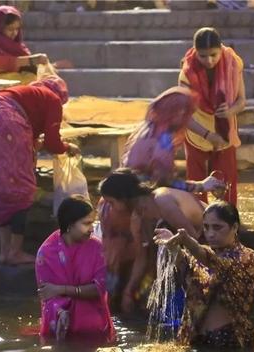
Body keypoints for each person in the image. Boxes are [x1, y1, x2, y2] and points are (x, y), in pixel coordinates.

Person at [98, 87, 224, 307]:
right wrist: (129, 292)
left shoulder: (161, 198)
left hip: (203, 238)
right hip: (147, 203)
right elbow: (141, 255)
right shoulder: (162, 139)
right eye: (183, 113)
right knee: (147, 260)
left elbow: (195, 239)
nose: (185, 118)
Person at [0, 76, 80, 265]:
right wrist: (67, 147)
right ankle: (16, 251)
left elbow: (33, 137)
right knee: (22, 189)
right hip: (6, 121)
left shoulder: (24, 94)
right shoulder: (52, 100)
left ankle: (5, 251)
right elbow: (53, 143)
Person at [153, 201, 254, 349]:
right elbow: (185, 262)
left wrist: (188, 241)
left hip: (227, 338)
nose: (210, 234)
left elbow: (212, 261)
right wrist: (172, 244)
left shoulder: (247, 257)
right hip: (196, 337)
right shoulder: (203, 253)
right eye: (206, 227)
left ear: (234, 227)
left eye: (217, 227)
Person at [98, 169, 206, 313]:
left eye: (111, 202)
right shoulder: (138, 218)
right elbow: (141, 258)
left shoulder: (162, 200)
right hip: (187, 251)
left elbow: (195, 242)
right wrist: (128, 292)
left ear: (123, 198)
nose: (111, 208)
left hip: (210, 240)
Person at [178, 27, 246, 206]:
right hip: (197, 131)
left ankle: (228, 220)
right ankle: (198, 221)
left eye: (214, 55)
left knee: (227, 181)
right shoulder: (187, 72)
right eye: (203, 56)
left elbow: (241, 100)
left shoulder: (232, 62)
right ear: (195, 52)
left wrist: (230, 111)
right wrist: (208, 135)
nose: (209, 60)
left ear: (220, 50)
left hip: (224, 129)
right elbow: (184, 116)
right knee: (196, 181)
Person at [36, 196, 116, 343]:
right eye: (86, 223)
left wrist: (62, 289)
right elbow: (47, 295)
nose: (92, 228)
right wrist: (61, 313)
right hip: (59, 328)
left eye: (92, 222)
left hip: (95, 327)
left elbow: (99, 289)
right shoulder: (47, 253)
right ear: (69, 225)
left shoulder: (97, 249)